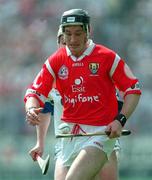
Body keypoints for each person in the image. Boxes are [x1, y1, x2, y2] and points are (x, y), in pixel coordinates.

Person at [24, 9, 141, 180]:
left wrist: (120, 120)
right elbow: (34, 93)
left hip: (100, 135)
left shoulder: (107, 57)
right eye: (67, 34)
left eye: (78, 34)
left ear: (88, 31)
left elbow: (133, 90)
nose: (72, 40)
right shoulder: (55, 61)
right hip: (67, 139)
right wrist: (31, 109)